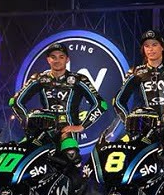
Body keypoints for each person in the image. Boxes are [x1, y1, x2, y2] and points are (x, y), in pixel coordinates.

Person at [10, 42, 107, 175]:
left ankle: (75, 185)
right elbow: (15, 101)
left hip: (67, 130)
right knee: (23, 155)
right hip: (43, 130)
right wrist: (28, 122)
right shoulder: (39, 78)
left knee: (71, 155)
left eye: (61, 57)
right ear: (48, 60)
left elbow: (100, 104)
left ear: (67, 59)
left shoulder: (78, 79)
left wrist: (81, 126)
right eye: (53, 57)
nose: (57, 60)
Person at [113, 29, 164, 126]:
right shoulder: (136, 72)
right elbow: (118, 101)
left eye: (154, 45)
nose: (150, 49)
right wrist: (129, 122)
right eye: (147, 46)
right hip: (146, 128)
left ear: (162, 47)